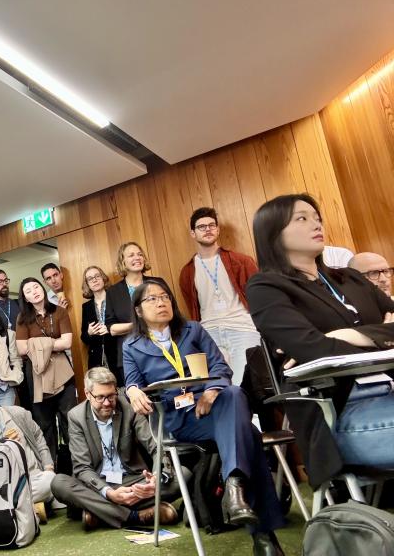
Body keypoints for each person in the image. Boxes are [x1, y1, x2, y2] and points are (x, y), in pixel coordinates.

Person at [123, 280, 284, 556]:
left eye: (165, 297)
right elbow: (132, 381)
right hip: (178, 419)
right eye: (152, 299)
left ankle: (235, 487)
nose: (162, 302)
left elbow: (219, 365)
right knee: (250, 435)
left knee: (232, 394)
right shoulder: (132, 345)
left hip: (212, 408)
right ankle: (261, 532)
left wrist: (211, 391)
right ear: (138, 310)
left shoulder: (192, 330)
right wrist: (133, 390)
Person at [246, 194, 394, 488]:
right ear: (273, 232)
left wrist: (350, 335)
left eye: (316, 217)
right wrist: (383, 334)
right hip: (342, 412)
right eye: (302, 218)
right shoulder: (266, 287)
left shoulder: (350, 278)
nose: (316, 223)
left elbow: (325, 344)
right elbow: (313, 349)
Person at [51, 367, 180, 531]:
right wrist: (109, 493)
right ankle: (137, 516)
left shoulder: (128, 407)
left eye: (111, 396)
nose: (107, 402)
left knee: (182, 475)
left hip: (133, 480)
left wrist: (154, 478)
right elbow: (82, 468)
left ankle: (99, 513)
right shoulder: (76, 416)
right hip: (97, 484)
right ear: (87, 394)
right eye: (100, 397)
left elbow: (155, 447)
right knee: (59, 483)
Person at [179, 207, 261, 385]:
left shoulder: (242, 261)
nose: (208, 229)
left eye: (211, 225)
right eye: (202, 227)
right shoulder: (187, 272)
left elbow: (259, 298)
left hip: (242, 328)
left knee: (248, 386)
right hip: (209, 333)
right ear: (193, 233)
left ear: (218, 229)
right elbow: (192, 308)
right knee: (218, 388)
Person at [0, 379, 56, 523]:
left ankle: (21, 510)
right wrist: (3, 447)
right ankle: (33, 508)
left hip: (33, 478)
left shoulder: (17, 414)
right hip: (5, 488)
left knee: (50, 480)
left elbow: (38, 438)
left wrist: (48, 467)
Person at [15, 277, 76, 466]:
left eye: (36, 287)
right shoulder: (23, 318)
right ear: (25, 298)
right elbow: (22, 349)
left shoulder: (59, 311)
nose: (34, 291)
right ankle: (51, 468)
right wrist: (51, 344)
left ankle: (79, 466)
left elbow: (67, 342)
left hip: (62, 369)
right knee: (44, 423)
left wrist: (37, 344)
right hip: (37, 373)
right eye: (28, 290)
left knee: (70, 419)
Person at [105, 242, 168, 386]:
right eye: (131, 255)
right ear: (123, 261)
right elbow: (112, 329)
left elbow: (171, 313)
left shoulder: (158, 283)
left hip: (161, 349)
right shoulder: (113, 292)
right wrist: (140, 324)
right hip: (130, 355)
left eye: (140, 254)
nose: (137, 257)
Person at [80, 265, 117, 371]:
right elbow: (84, 338)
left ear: (103, 278)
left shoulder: (115, 299)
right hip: (97, 361)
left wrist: (110, 329)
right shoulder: (86, 307)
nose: (94, 280)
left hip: (118, 356)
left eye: (97, 276)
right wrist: (89, 333)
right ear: (87, 284)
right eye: (90, 279)